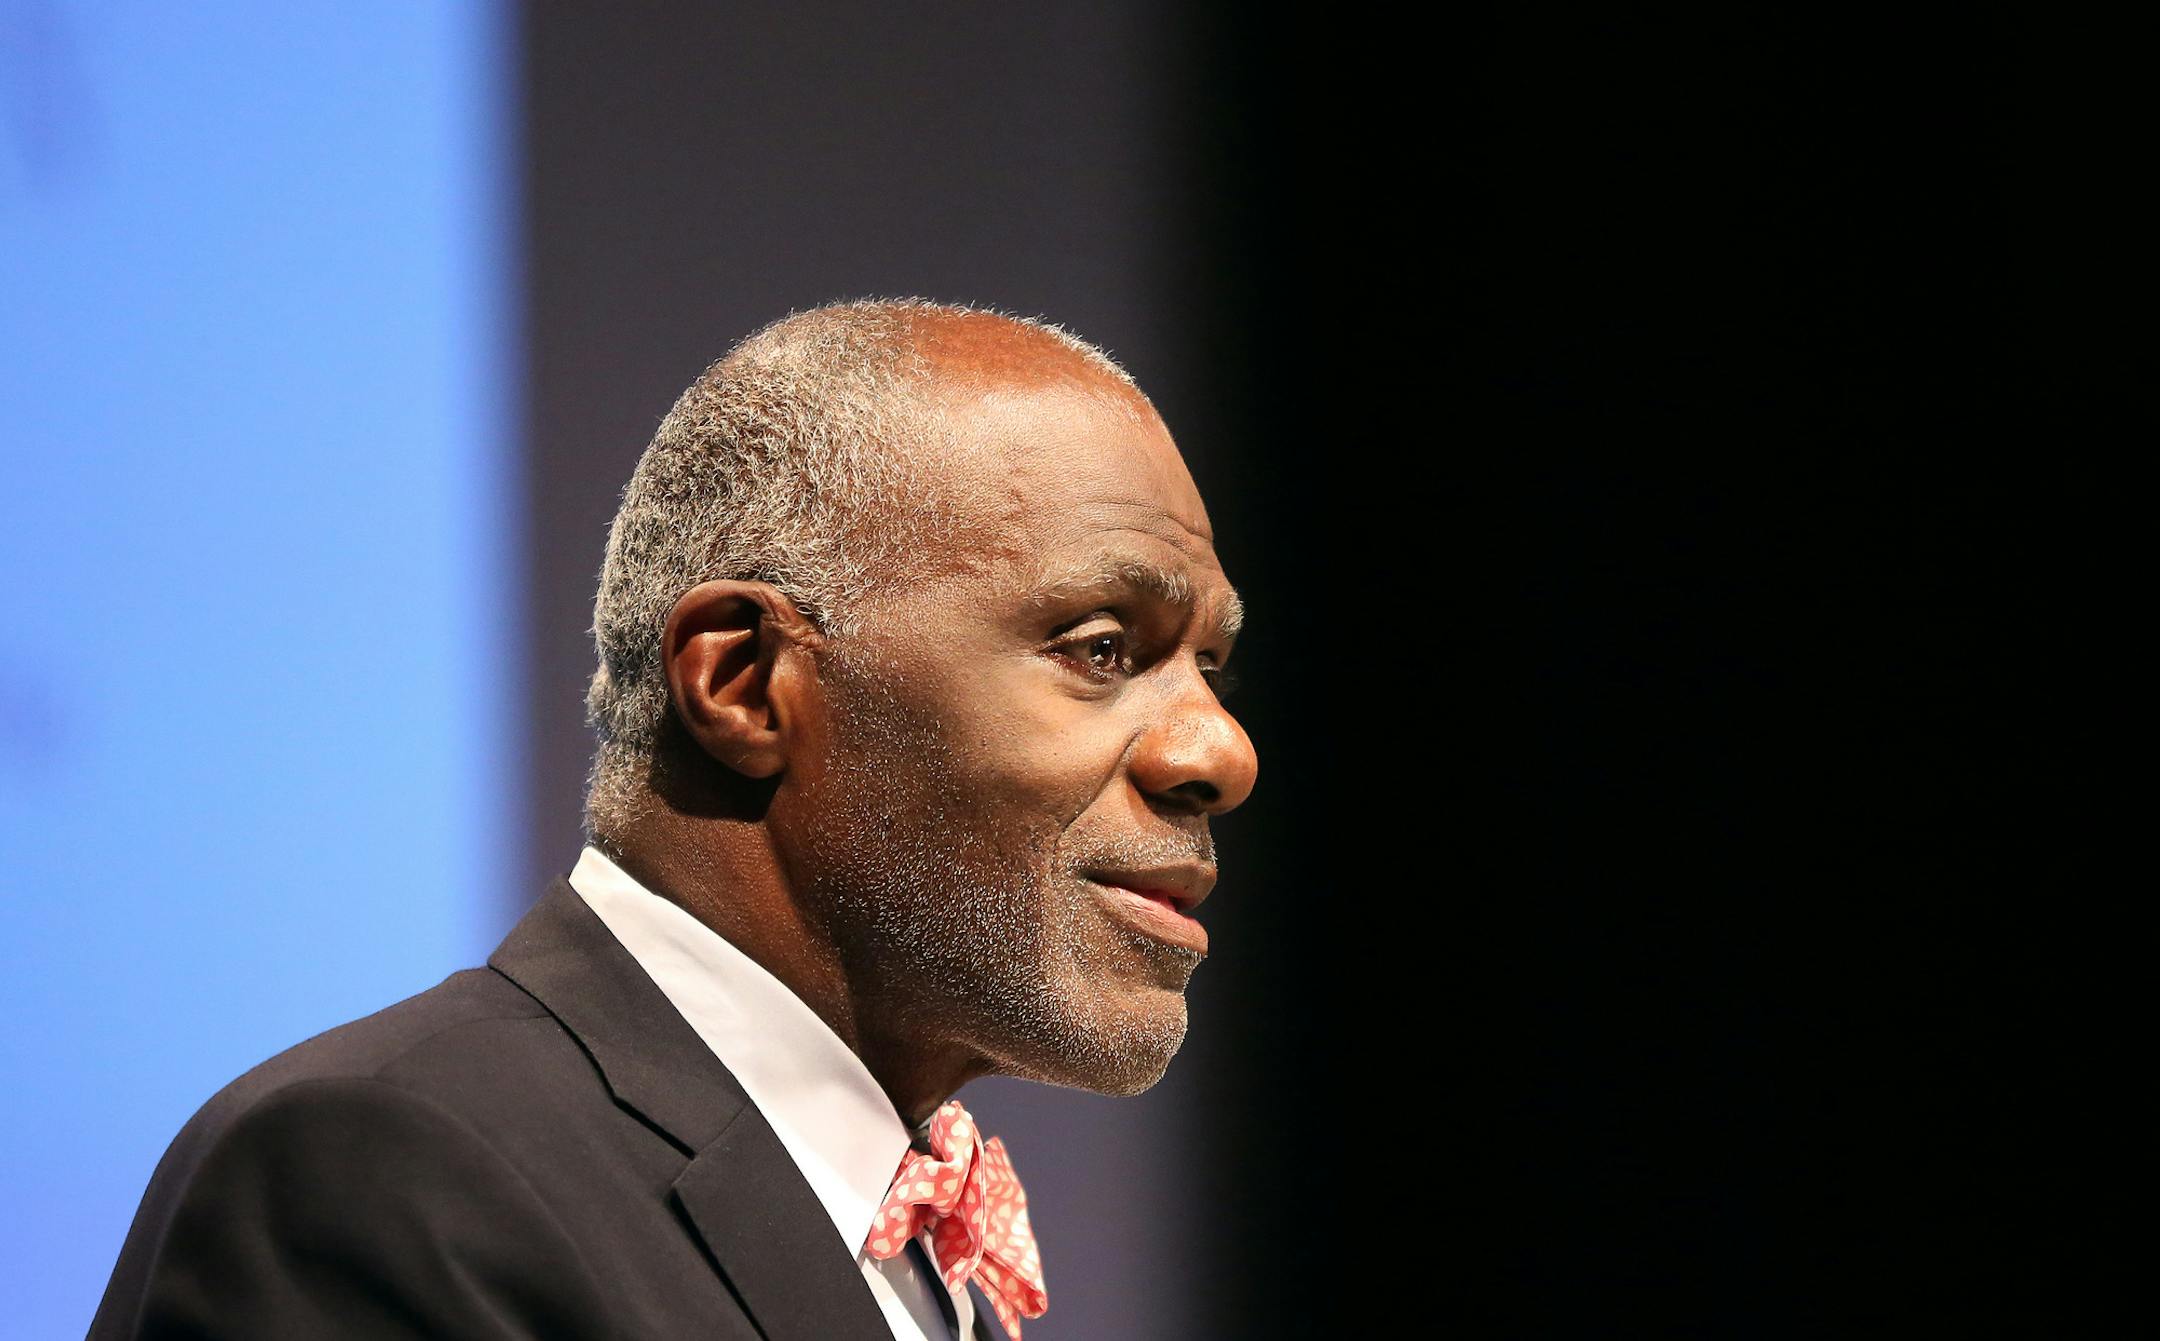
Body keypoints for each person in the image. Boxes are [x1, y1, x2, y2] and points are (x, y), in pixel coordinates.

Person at [89, 300, 1259, 1340]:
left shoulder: (914, 1251)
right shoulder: (381, 1176)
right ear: (745, 683)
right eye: (1102, 649)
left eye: (1212, 668)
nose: (1223, 753)